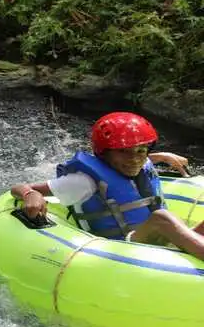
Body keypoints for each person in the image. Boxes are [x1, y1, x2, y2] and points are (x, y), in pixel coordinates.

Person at [11, 111, 204, 261]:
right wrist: (29, 193)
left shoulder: (138, 162)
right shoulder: (82, 182)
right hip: (124, 247)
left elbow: (136, 161)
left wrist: (162, 156)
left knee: (165, 221)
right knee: (162, 218)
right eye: (124, 151)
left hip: (161, 240)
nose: (135, 159)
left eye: (141, 150)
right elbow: (18, 187)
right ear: (104, 154)